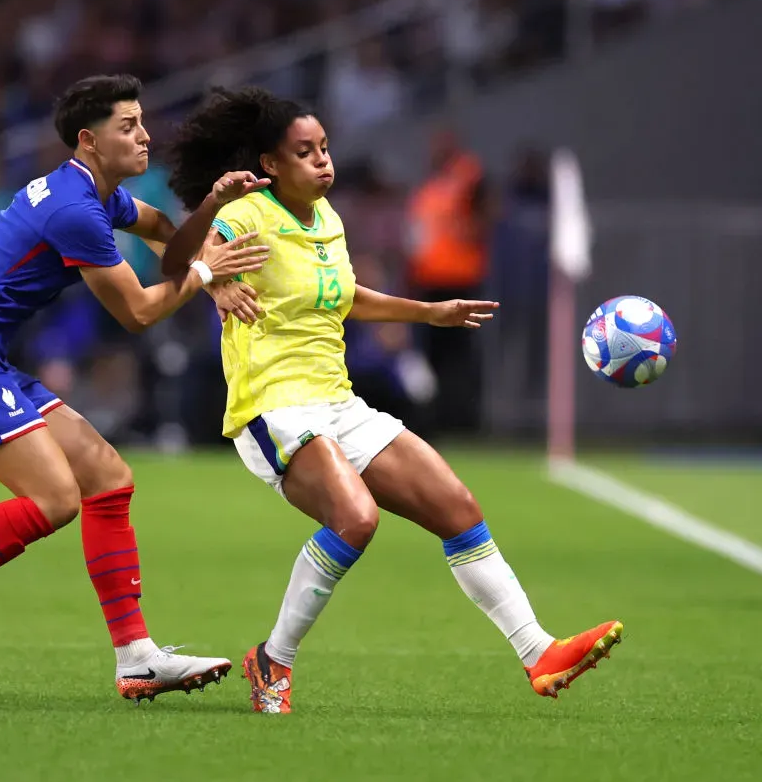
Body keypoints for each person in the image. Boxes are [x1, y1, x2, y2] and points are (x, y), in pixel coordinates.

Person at [167, 87, 622, 714]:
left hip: (337, 403)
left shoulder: (328, 220)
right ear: (271, 164)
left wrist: (427, 312)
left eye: (325, 148)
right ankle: (275, 661)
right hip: (273, 408)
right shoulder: (247, 212)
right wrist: (213, 286)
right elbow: (187, 253)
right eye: (305, 152)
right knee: (356, 519)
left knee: (457, 507)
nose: (323, 161)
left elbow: (346, 296)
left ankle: (538, 652)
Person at [0, 74, 270, 702]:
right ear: (89, 140)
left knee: (108, 477)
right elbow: (137, 312)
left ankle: (136, 656)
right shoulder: (74, 210)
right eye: (129, 126)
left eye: (142, 122)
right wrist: (202, 273)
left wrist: (210, 224)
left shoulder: (93, 192)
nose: (145, 136)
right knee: (55, 499)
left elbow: (165, 230)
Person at [404, 127, 493, 436]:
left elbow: (487, 206)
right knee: (433, 356)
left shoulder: (468, 175)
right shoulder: (429, 188)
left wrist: (472, 229)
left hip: (460, 280)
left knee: (461, 355)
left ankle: (463, 419)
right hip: (429, 282)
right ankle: (435, 418)